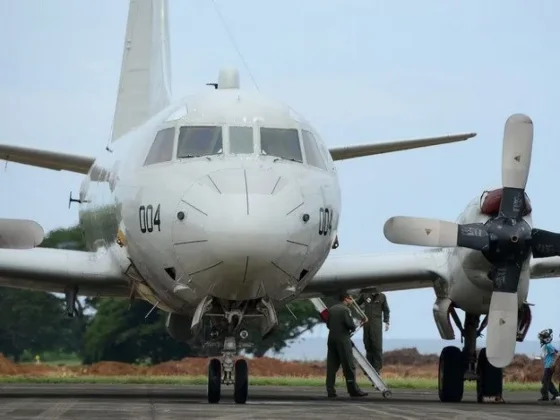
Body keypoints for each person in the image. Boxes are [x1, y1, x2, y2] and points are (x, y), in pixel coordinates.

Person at [325, 292, 368, 398]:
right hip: (343, 339)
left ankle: (330, 391)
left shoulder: (332, 309)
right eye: (350, 299)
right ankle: (353, 390)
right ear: (346, 299)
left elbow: (328, 324)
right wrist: (359, 324)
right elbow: (351, 325)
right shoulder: (345, 310)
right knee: (349, 366)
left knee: (331, 367)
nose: (352, 301)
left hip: (331, 339)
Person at [356, 288, 390, 372]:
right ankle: (369, 368)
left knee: (377, 345)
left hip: (376, 325)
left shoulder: (382, 296)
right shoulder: (365, 295)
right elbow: (356, 303)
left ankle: (377, 368)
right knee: (367, 344)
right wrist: (348, 301)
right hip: (366, 323)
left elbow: (386, 310)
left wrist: (387, 322)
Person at [537, 328, 559, 401]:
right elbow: (556, 351)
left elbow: (555, 354)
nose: (541, 339)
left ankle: (546, 396)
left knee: (545, 381)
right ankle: (556, 394)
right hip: (548, 365)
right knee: (547, 380)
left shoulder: (548, 346)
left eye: (542, 338)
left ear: (547, 338)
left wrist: (553, 363)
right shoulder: (548, 345)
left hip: (549, 366)